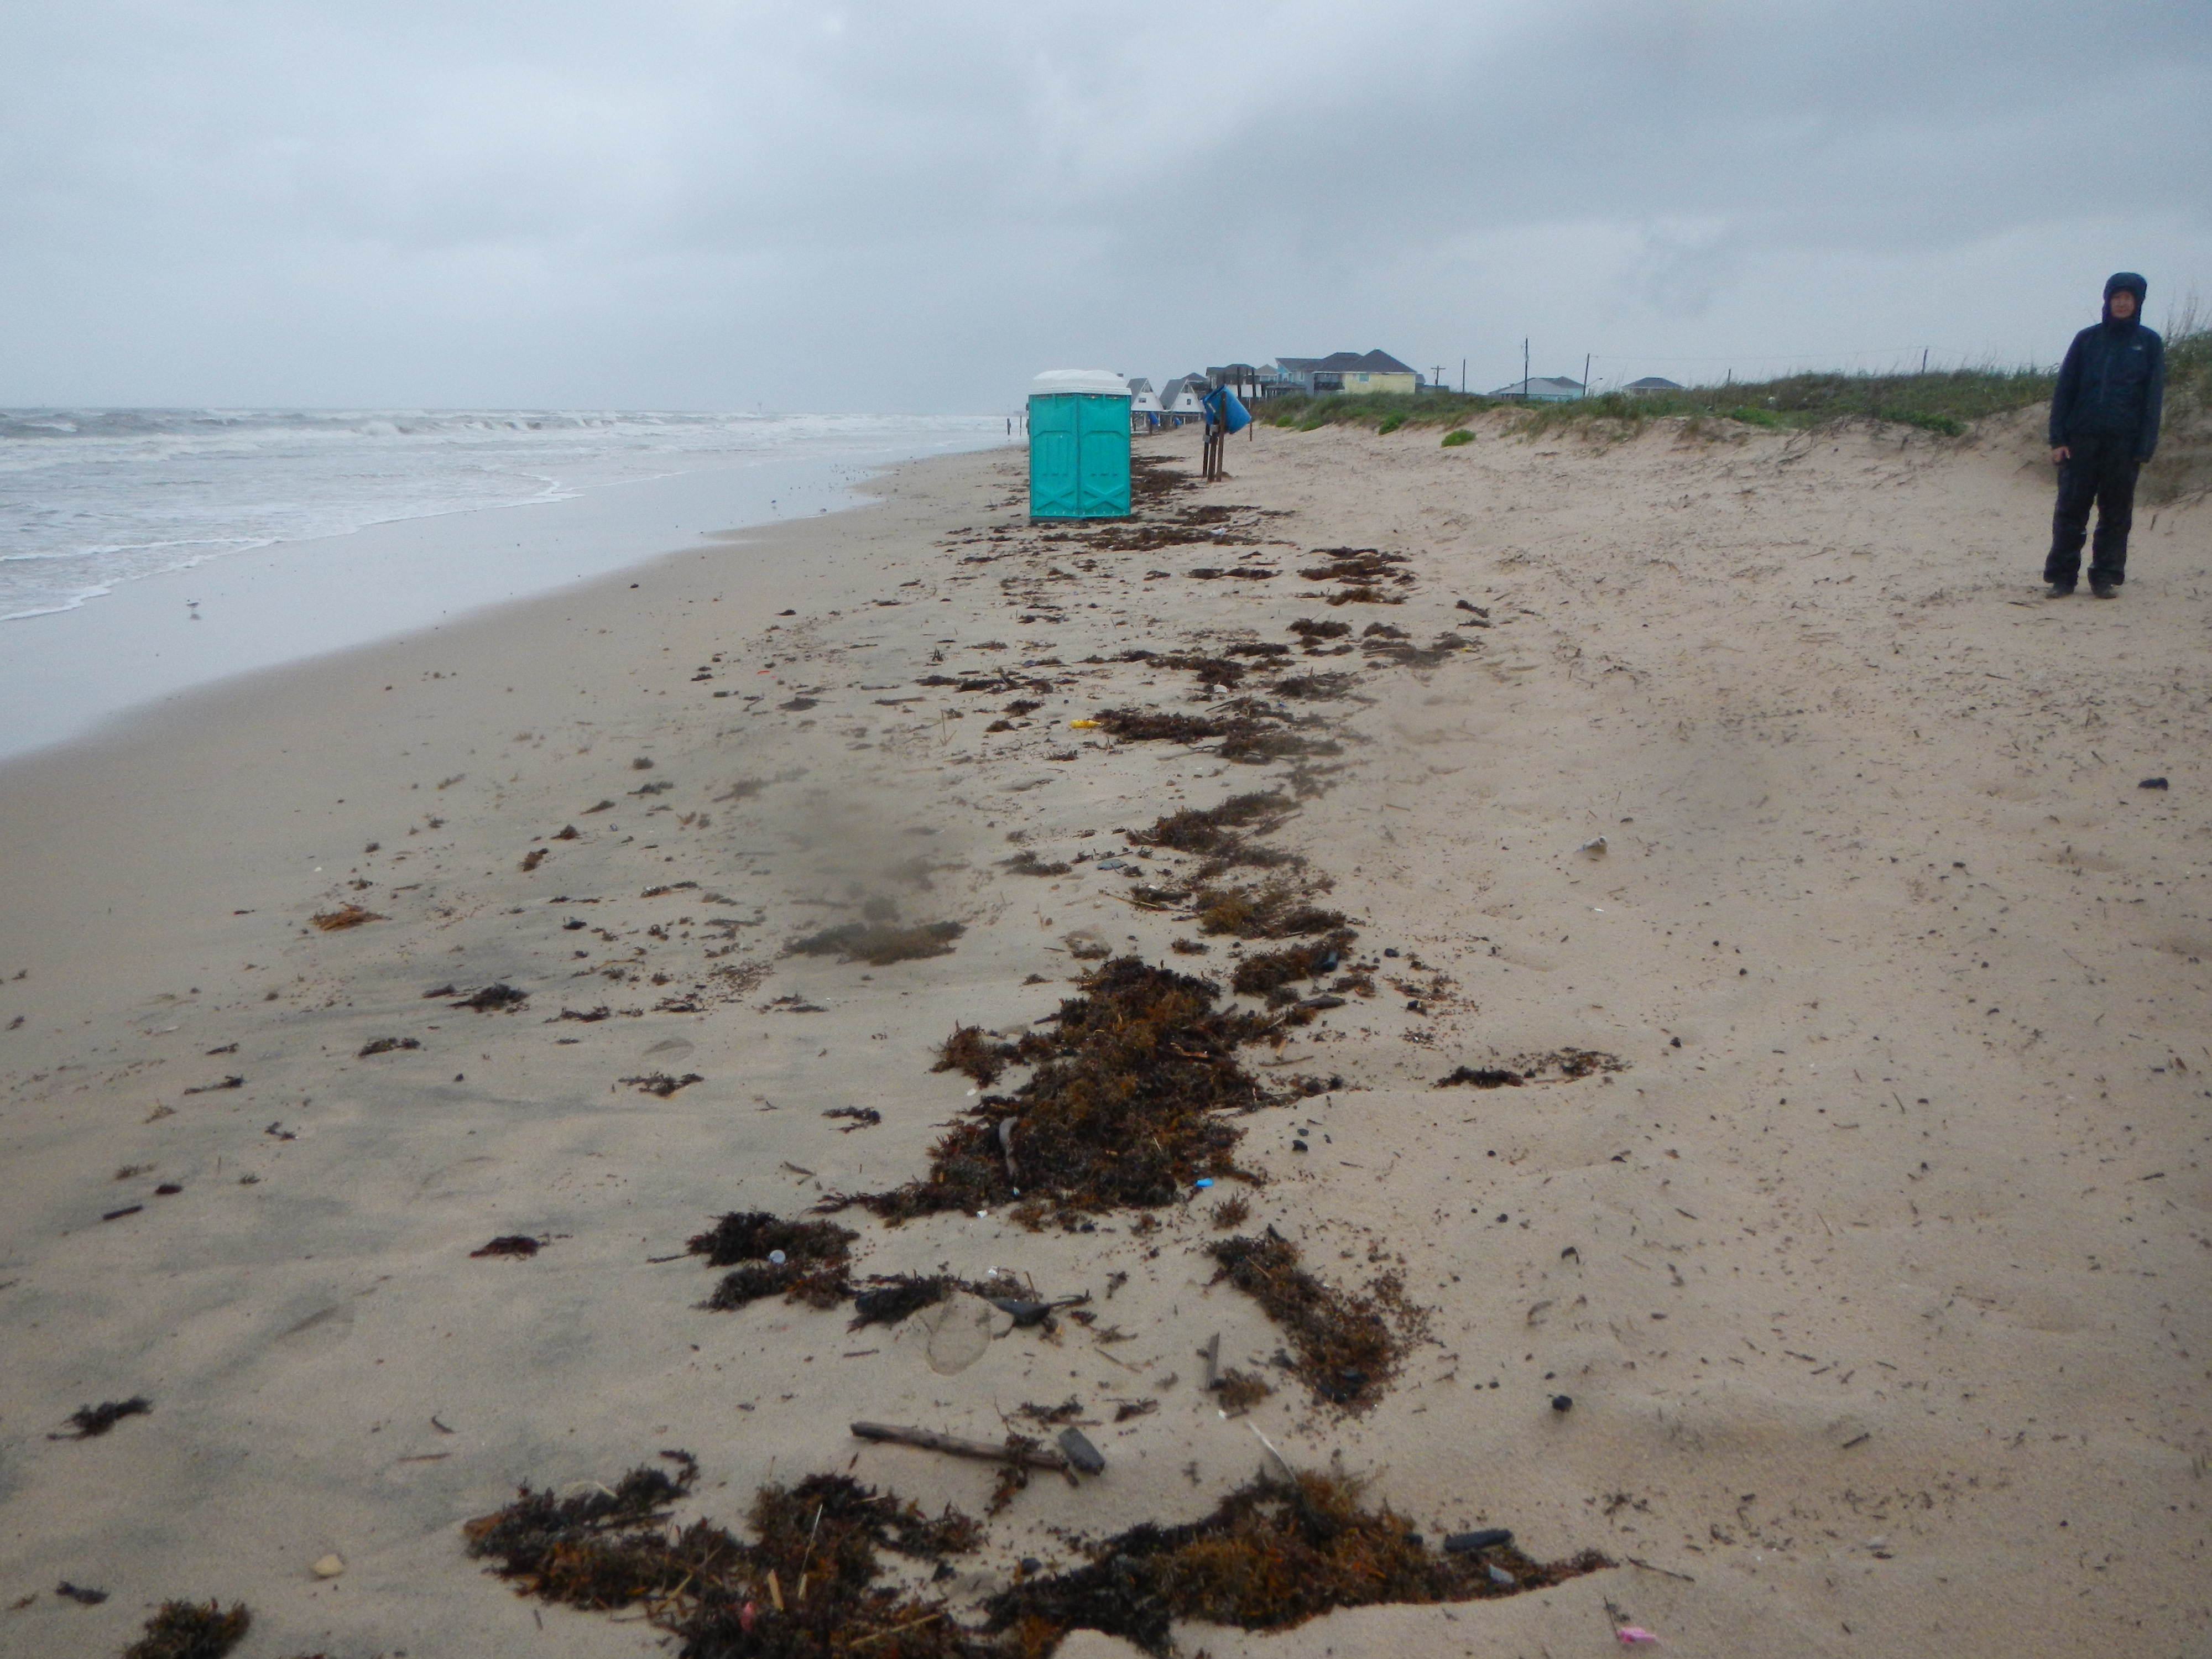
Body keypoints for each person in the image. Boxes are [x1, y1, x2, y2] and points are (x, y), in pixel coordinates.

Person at [2045, 272, 2164, 598]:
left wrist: (2144, 446)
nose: (2122, 303)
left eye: (2128, 298)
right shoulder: (2087, 340)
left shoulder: (2149, 343)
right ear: (2108, 301)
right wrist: (2058, 439)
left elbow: (2153, 400)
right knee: (2070, 511)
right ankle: (2062, 577)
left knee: (2116, 514)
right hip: (2081, 440)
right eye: (2117, 298)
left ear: (2138, 302)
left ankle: (2105, 577)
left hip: (2123, 445)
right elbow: (2065, 391)